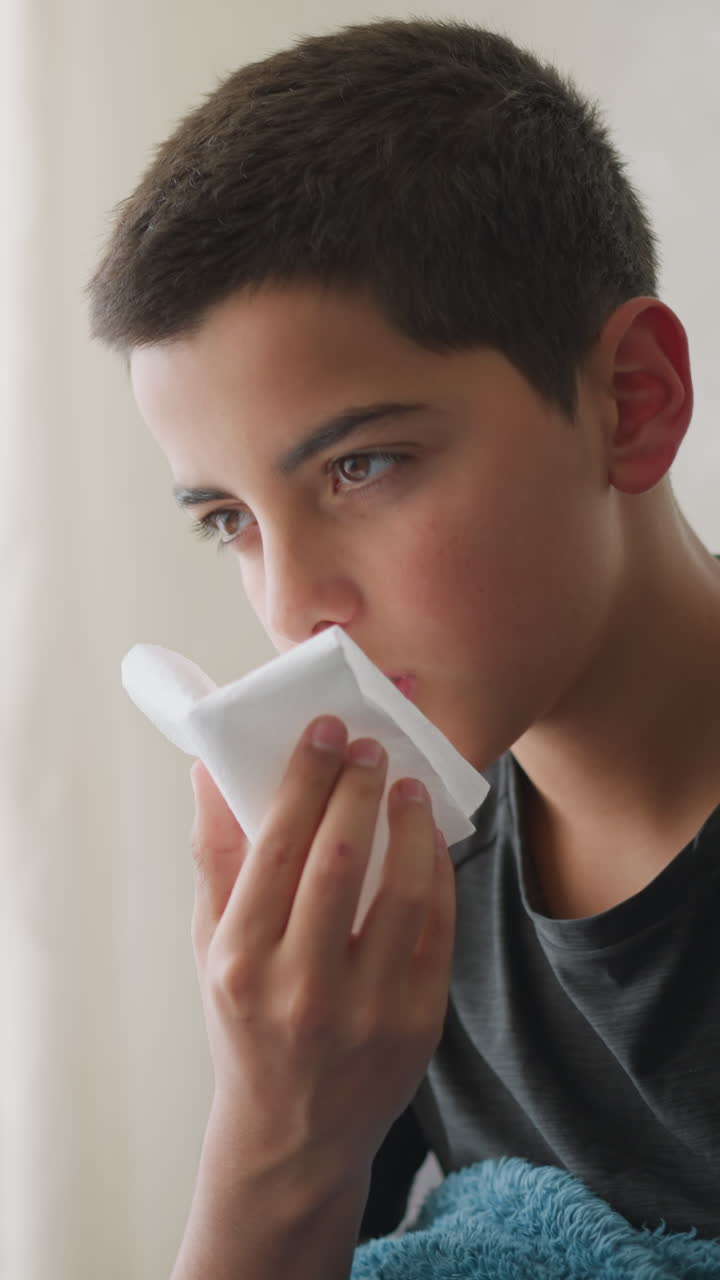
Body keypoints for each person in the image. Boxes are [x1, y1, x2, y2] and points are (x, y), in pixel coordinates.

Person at [87, 17, 720, 1279]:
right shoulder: (397, 880)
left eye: (360, 465)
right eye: (230, 521)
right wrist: (278, 1130)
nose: (291, 610)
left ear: (631, 402)